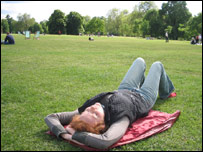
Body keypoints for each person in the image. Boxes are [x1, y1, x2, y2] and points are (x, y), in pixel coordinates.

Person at [44, 57, 175, 149]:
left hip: (124, 89)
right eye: (95, 114)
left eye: (88, 110)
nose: (92, 108)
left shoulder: (86, 111)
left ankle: (145, 81)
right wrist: (72, 137)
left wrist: (63, 133)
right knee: (157, 65)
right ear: (103, 125)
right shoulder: (119, 118)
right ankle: (166, 92)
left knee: (140, 61)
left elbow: (51, 117)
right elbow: (104, 141)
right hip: (143, 97)